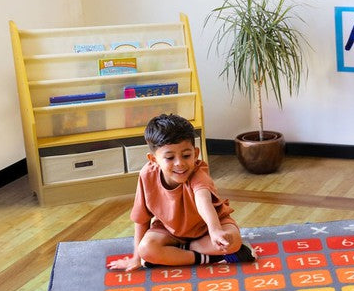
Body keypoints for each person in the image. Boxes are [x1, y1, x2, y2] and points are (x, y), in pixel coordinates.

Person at [107, 114, 255, 271]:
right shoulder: (147, 175)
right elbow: (142, 219)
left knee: (233, 241)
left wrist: (215, 230)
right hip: (169, 231)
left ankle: (178, 253)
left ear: (195, 153)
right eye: (170, 157)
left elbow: (203, 202)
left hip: (207, 229)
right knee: (146, 249)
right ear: (153, 159)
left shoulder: (199, 175)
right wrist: (137, 258)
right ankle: (209, 257)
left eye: (186, 156)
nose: (180, 163)